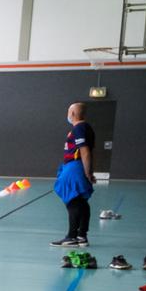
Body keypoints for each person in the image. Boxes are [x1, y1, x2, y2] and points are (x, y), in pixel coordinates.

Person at [51, 103, 95, 249]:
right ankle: (82, 235)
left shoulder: (79, 128)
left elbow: (85, 151)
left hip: (74, 167)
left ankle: (71, 236)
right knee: (81, 202)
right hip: (76, 167)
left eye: (69, 112)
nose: (68, 115)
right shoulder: (85, 128)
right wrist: (89, 171)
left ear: (74, 113)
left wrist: (87, 172)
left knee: (72, 201)